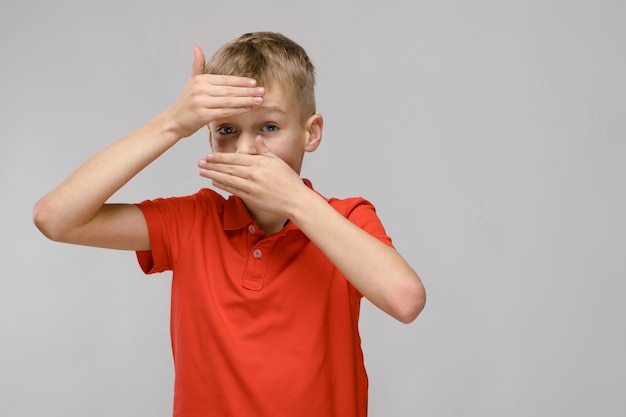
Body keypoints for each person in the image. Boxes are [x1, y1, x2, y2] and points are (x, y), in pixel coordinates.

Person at [33, 32, 426, 417]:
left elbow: (406, 300)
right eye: (227, 130)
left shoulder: (346, 219)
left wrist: (294, 198)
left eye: (269, 127)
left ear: (311, 133)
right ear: (208, 138)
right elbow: (55, 218)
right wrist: (172, 123)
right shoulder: (192, 221)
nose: (244, 149)